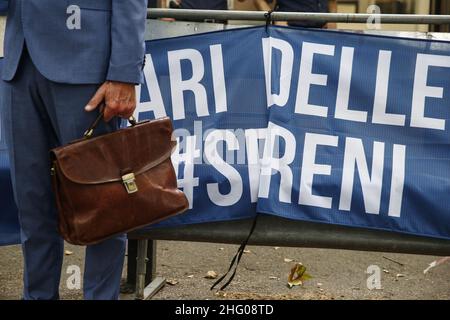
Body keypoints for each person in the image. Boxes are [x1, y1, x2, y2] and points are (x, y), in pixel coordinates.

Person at [0, 0, 146, 300]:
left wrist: (124, 72)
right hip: (20, 65)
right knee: (31, 203)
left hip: (87, 68)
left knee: (103, 205)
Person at [253, 0, 337, 29]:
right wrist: (276, 19)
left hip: (322, 32)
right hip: (291, 32)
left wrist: (332, 20)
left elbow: (332, 2)